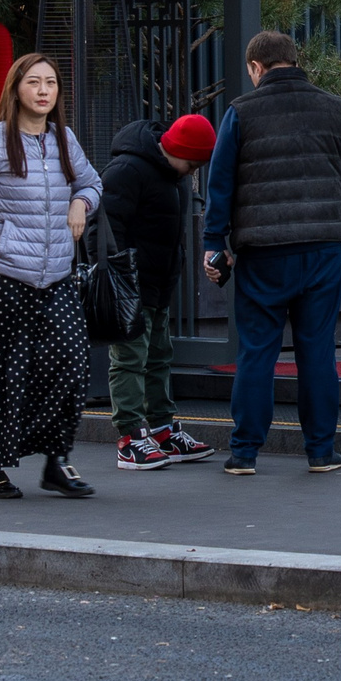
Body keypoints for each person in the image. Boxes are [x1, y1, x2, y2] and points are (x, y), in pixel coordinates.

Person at [201, 31, 341, 476]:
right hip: (322, 250)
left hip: (262, 253)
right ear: (294, 62)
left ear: (255, 67)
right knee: (316, 351)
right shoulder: (338, 109)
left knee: (257, 351)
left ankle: (244, 453)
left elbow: (220, 183)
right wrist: (331, 204)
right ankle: (321, 452)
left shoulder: (241, 112)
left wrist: (214, 242)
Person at [0, 54, 101, 500]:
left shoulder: (64, 140)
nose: (43, 90)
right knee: (3, 374)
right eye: (33, 82)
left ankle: (56, 461)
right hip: (0, 276)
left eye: (50, 82)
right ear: (15, 89)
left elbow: (93, 184)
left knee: (72, 363)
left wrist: (80, 203)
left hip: (56, 277)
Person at [100, 113, 218, 470]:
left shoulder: (174, 177)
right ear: (177, 150)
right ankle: (130, 436)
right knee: (129, 358)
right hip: (129, 283)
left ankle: (162, 429)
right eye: (191, 164)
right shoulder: (127, 170)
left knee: (159, 356)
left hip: (159, 281)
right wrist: (117, 278)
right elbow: (103, 228)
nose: (192, 172)